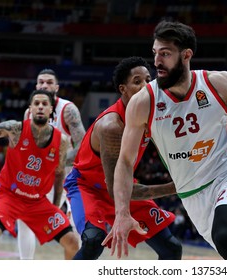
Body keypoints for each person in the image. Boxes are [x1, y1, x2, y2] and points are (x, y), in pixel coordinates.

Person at [103, 20, 227, 260]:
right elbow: (125, 162)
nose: (157, 61)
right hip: (192, 195)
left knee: (226, 237)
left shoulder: (217, 82)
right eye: (155, 53)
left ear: (186, 55)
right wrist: (121, 212)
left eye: (165, 54)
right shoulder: (144, 102)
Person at [64, 56, 182, 260]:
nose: (146, 86)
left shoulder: (150, 115)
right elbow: (116, 189)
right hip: (88, 187)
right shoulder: (111, 127)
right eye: (137, 82)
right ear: (122, 89)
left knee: (171, 248)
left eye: (148, 80)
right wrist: (178, 187)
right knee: (94, 241)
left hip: (123, 184)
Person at [0, 89, 79, 259]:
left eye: (45, 104)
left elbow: (59, 174)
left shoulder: (61, 141)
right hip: (9, 196)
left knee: (72, 243)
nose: (40, 107)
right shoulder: (15, 129)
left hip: (37, 202)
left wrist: (55, 206)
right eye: (37, 103)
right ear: (30, 109)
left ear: (51, 110)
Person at [17, 68, 86, 259]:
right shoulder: (29, 113)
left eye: (49, 82)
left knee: (76, 223)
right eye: (40, 82)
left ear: (56, 87)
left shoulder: (68, 109)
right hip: (42, 176)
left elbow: (82, 144)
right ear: (36, 86)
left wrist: (57, 161)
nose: (44, 85)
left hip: (69, 173)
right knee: (24, 218)